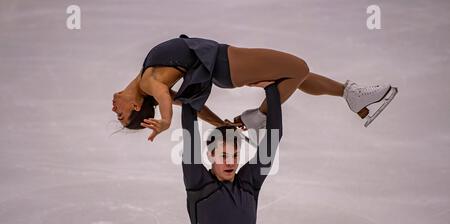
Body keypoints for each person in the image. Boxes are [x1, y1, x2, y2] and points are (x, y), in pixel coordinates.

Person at [111, 35, 398, 141]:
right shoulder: (150, 84)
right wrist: (164, 121)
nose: (115, 110)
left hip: (224, 63)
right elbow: (164, 97)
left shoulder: (146, 79)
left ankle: (350, 95)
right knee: (297, 67)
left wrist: (220, 124)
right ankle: (259, 116)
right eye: (121, 115)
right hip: (225, 62)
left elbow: (188, 104)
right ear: (136, 107)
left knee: (295, 74)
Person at [180, 81, 282, 224]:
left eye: (235, 155)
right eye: (223, 156)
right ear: (210, 155)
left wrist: (272, 87)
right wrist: (196, 81)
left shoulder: (249, 184)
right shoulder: (199, 185)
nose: (231, 162)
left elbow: (274, 138)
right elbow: (189, 130)